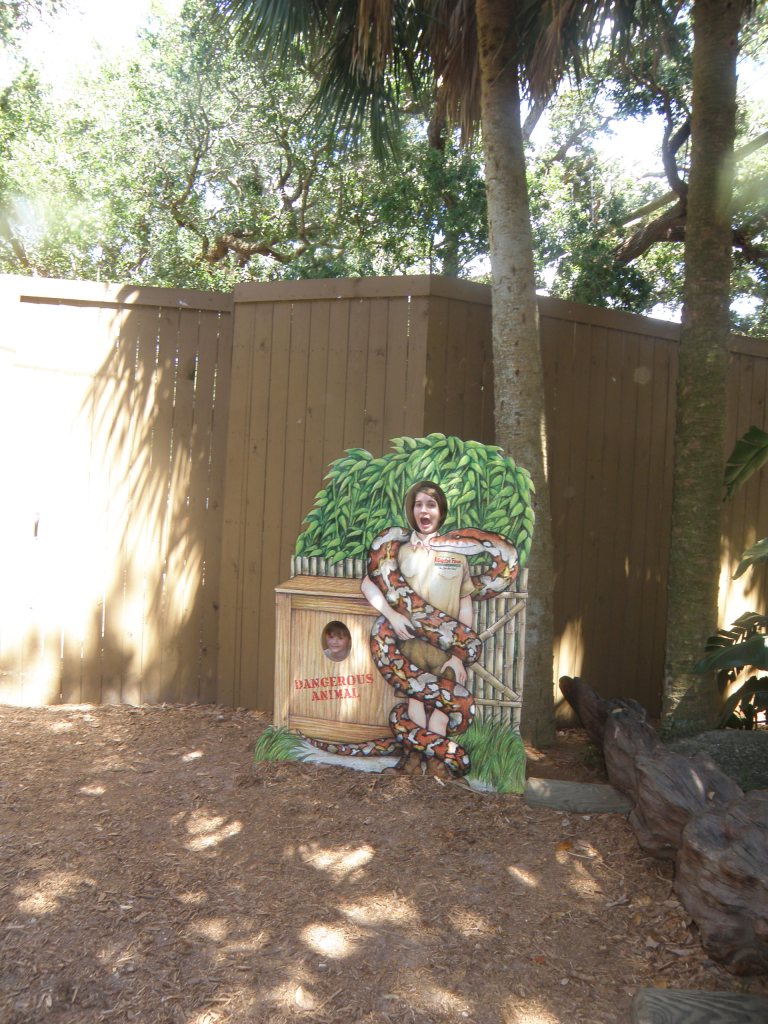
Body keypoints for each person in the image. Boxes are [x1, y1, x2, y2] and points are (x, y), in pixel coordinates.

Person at [360, 479, 475, 763]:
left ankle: (435, 766)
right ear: (412, 511)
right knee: (415, 704)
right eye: (418, 505)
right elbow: (367, 584)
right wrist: (392, 615)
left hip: (444, 652)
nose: (424, 511)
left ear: (441, 511)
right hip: (410, 646)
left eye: (431, 505)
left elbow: (465, 604)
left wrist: (459, 655)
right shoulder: (399, 552)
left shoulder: (456, 555)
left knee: (441, 712)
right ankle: (416, 763)